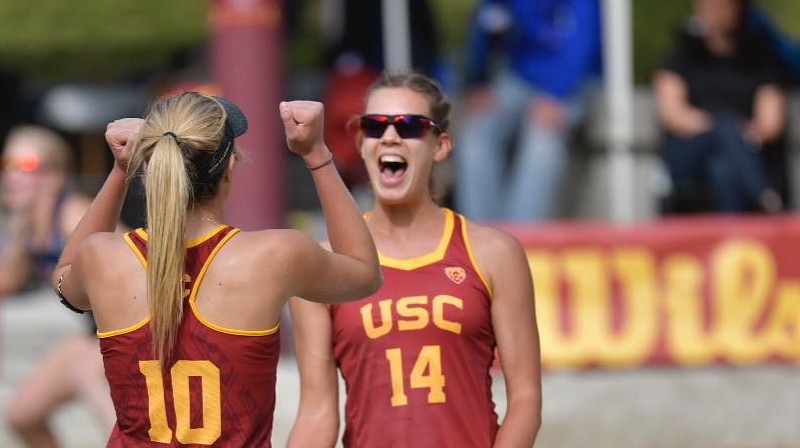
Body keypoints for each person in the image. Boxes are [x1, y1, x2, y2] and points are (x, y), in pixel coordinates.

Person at [50, 92, 382, 446]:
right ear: (230, 169)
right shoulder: (274, 255)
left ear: (150, 167)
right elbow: (365, 273)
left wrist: (120, 170)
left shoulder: (102, 256)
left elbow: (64, 279)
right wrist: (317, 154)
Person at [287, 72, 542, 447]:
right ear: (361, 143)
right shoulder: (325, 268)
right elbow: (316, 413)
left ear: (441, 146)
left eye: (409, 126)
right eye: (374, 126)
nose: (389, 136)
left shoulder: (493, 252)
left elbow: (526, 400)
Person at [1, 125, 115, 448]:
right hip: (94, 332)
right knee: (23, 415)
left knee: (86, 372)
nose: (12, 177)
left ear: (56, 174)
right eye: (7, 166)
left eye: (26, 167)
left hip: (130, 328)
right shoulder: (30, 227)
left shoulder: (74, 214)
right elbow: (7, 282)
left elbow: (136, 263)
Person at [455, 0, 602, 222]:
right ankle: (481, 236)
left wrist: (555, 95)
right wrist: (479, 83)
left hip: (572, 86)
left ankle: (522, 239)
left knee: (541, 141)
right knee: (474, 133)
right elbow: (486, 29)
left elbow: (582, 45)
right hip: (516, 79)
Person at [653, 0, 789, 214]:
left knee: (723, 170)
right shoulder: (681, 57)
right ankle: (764, 195)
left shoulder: (760, 62)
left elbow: (769, 124)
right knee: (726, 126)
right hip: (690, 153)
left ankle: (733, 236)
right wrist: (724, 129)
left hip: (740, 153)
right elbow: (673, 115)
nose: (716, 11)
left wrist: (737, 136)